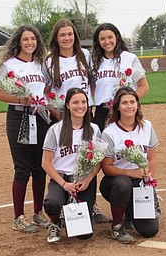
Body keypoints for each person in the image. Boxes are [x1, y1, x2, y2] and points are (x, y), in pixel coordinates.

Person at [43, 18, 107, 223]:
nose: (67, 38)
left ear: (75, 36)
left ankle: (91, 203)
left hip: (84, 111)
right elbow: (45, 92)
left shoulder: (85, 55)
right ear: (56, 38)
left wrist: (92, 104)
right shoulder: (50, 60)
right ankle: (61, 198)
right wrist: (56, 112)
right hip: (62, 115)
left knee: (88, 156)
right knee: (65, 157)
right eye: (62, 34)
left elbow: (93, 84)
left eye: (70, 34)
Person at [0, 25, 50, 233]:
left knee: (40, 167)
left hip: (41, 116)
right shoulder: (9, 65)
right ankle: (18, 217)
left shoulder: (40, 64)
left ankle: (38, 213)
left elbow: (47, 90)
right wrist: (20, 98)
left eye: (33, 39)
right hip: (20, 116)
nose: (30, 43)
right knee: (22, 168)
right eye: (25, 39)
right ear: (18, 42)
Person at [100, 87, 159, 244]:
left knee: (149, 231)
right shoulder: (109, 132)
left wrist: (148, 179)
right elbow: (106, 168)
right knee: (123, 184)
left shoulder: (147, 126)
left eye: (132, 102)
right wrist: (129, 173)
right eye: (124, 102)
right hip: (115, 183)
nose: (129, 106)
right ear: (117, 107)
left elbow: (152, 158)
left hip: (139, 183)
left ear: (138, 105)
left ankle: (128, 212)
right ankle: (117, 226)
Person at [41, 87, 101, 243]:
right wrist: (64, 184)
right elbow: (45, 163)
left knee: (83, 235)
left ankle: (71, 214)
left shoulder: (94, 129)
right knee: (52, 203)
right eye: (75, 102)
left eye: (83, 102)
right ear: (67, 105)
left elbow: (98, 161)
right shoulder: (55, 130)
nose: (80, 106)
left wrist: (88, 180)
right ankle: (55, 222)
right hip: (62, 179)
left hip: (84, 181)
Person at [91, 23, 149, 132]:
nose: (107, 42)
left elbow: (143, 86)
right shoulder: (94, 62)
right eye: (102, 39)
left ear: (117, 37)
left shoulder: (129, 58)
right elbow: (92, 88)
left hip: (122, 111)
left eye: (110, 37)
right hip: (101, 112)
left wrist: (129, 102)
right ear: (98, 41)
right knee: (101, 146)